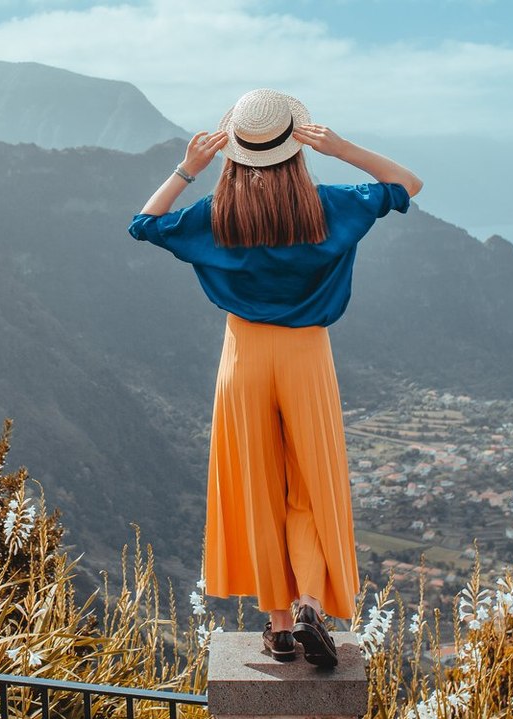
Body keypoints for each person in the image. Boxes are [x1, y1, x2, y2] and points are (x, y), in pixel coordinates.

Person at [128, 89, 422, 668]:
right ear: (296, 146)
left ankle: (281, 628)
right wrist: (341, 148)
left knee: (257, 485)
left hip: (243, 358)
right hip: (307, 357)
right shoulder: (327, 207)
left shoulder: (217, 216)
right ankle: (310, 600)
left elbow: (144, 223)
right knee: (309, 487)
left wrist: (189, 169)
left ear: (236, 150)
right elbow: (406, 183)